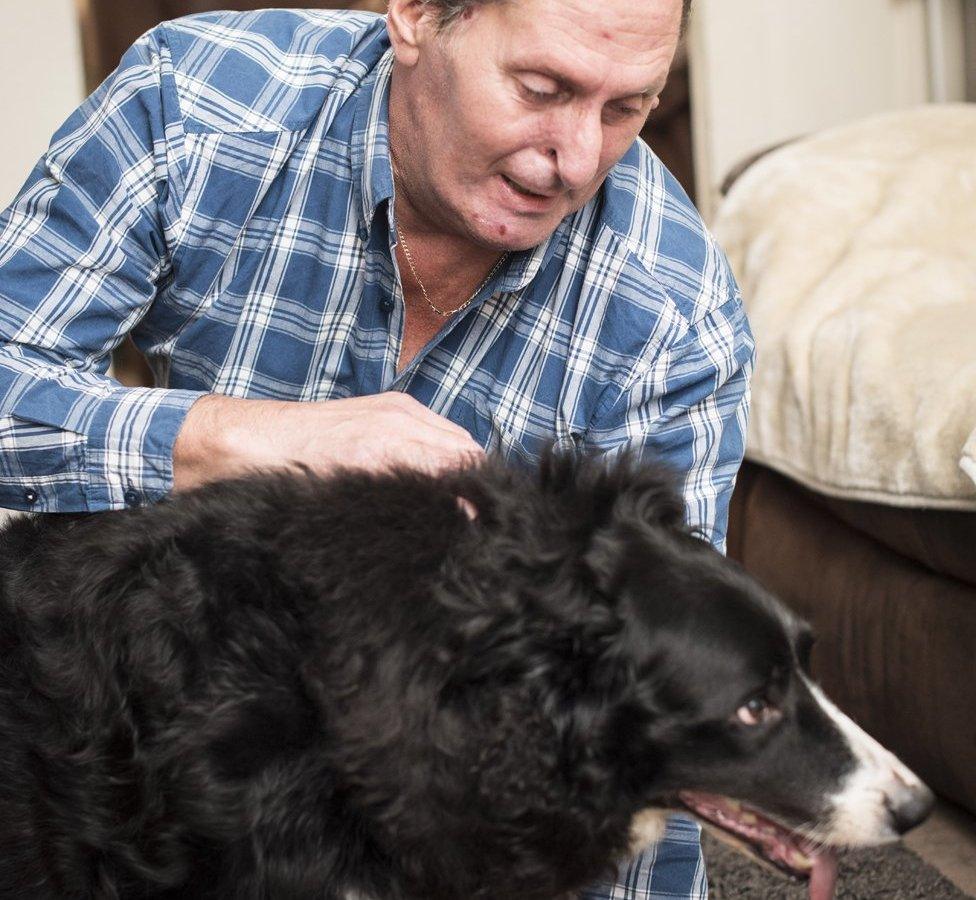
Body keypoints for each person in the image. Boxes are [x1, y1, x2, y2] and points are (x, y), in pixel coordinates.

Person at [0, 0, 752, 895]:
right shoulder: (195, 101)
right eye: (543, 88)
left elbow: (647, 710)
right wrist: (241, 441)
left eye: (627, 108)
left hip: (439, 763)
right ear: (415, 17)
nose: (579, 159)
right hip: (174, 718)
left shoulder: (674, 318)